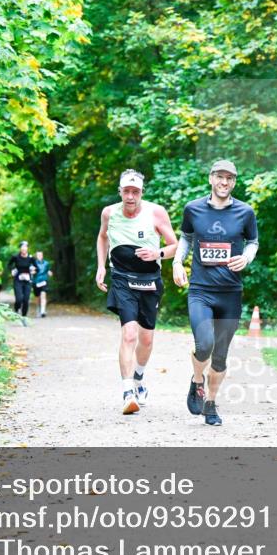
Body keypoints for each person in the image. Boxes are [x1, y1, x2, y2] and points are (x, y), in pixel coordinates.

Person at [173, 159, 259, 426]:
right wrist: (177, 262)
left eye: (230, 178)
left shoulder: (245, 212)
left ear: (234, 182)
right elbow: (186, 237)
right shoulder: (193, 209)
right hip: (201, 290)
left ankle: (210, 404)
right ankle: (197, 380)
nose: (224, 182)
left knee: (220, 355)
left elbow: (253, 242)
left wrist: (246, 258)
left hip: (230, 292)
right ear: (211, 178)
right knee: (204, 344)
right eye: (220, 177)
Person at [96, 169, 178, 415]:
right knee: (129, 333)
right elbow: (102, 238)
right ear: (119, 191)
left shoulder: (156, 212)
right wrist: (101, 266)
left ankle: (139, 378)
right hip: (121, 278)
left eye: (135, 192)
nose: (130, 197)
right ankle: (127, 391)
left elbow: (175, 245)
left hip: (149, 280)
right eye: (126, 191)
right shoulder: (109, 213)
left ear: (142, 192)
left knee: (146, 339)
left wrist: (158, 254)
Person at [7, 241, 38, 325]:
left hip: (27, 281)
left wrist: (33, 271)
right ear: (20, 249)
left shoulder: (31, 258)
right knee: (19, 299)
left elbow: (37, 268)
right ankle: (17, 309)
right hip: (18, 280)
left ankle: (24, 317)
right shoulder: (15, 257)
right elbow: (9, 265)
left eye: (25, 247)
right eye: (22, 248)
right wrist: (12, 270)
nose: (24, 249)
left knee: (26, 300)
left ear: (27, 248)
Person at [33, 250, 53, 317]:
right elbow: (31, 271)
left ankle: (43, 311)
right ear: (36, 256)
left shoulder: (46, 263)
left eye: (41, 255)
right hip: (36, 281)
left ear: (42, 255)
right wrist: (32, 272)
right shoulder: (34, 263)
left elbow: (48, 270)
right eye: (38, 255)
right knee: (37, 297)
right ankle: (38, 308)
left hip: (44, 281)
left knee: (43, 295)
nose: (40, 256)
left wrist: (50, 273)